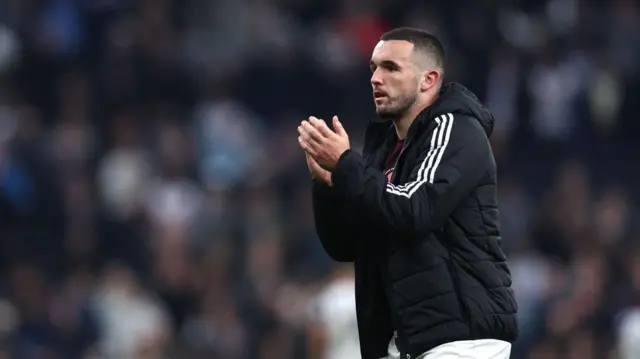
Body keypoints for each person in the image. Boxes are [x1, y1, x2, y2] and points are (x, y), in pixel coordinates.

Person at [297, 27, 518, 359]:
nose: (375, 78)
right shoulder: (384, 153)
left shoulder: (455, 129)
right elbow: (346, 246)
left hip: (461, 340)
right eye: (373, 68)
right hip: (404, 344)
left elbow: (415, 209)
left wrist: (345, 164)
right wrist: (329, 185)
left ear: (428, 80)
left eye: (391, 68)